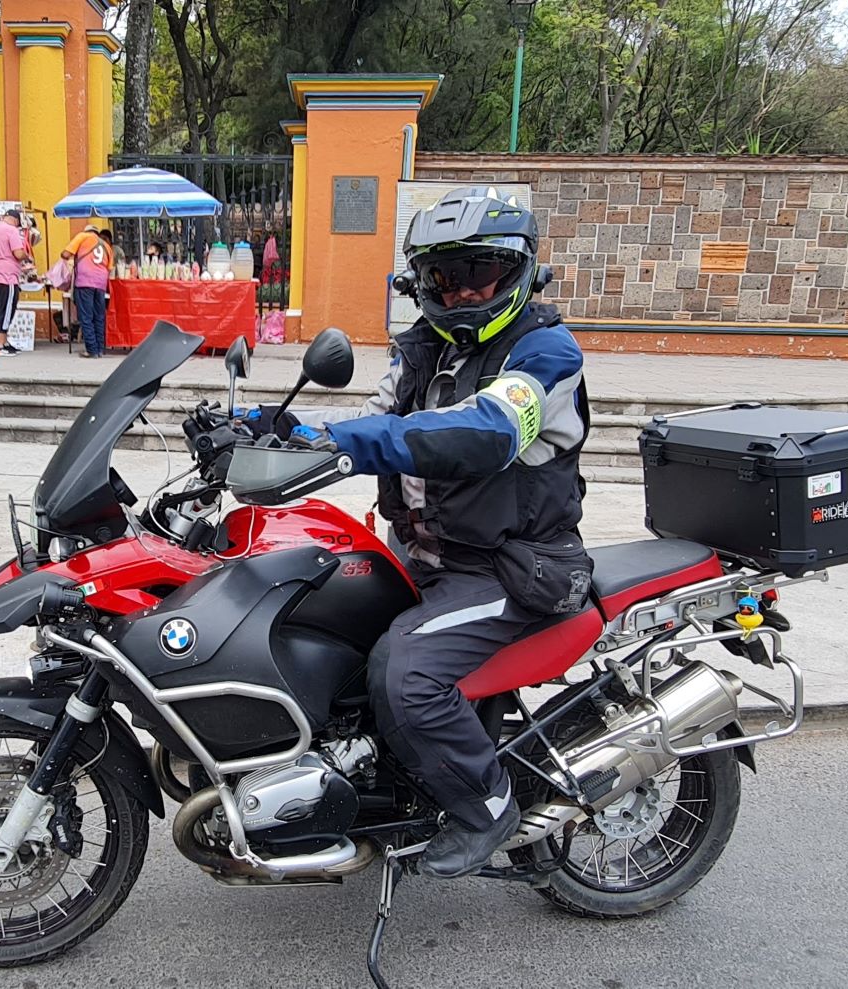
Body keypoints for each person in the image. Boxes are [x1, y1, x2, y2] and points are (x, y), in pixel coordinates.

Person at [264, 188, 587, 879]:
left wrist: (347, 441)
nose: (465, 290)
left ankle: (487, 807)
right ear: (421, 283)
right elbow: (369, 420)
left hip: (510, 568)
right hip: (426, 559)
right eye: (446, 276)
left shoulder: (545, 352)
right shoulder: (421, 352)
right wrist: (274, 428)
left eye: (482, 272)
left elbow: (488, 431)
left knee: (404, 672)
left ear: (519, 271)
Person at [0, 207, 31, 357]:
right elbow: (18, 253)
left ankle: (5, 342)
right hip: (7, 277)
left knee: (0, 310)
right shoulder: (12, 231)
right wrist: (27, 256)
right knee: (8, 310)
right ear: (15, 220)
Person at [62, 224, 114, 358]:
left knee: (86, 317)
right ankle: (100, 349)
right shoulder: (106, 246)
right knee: (99, 317)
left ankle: (91, 350)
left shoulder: (82, 237)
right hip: (101, 284)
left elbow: (65, 254)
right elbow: (109, 268)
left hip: (85, 282)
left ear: (87, 231)